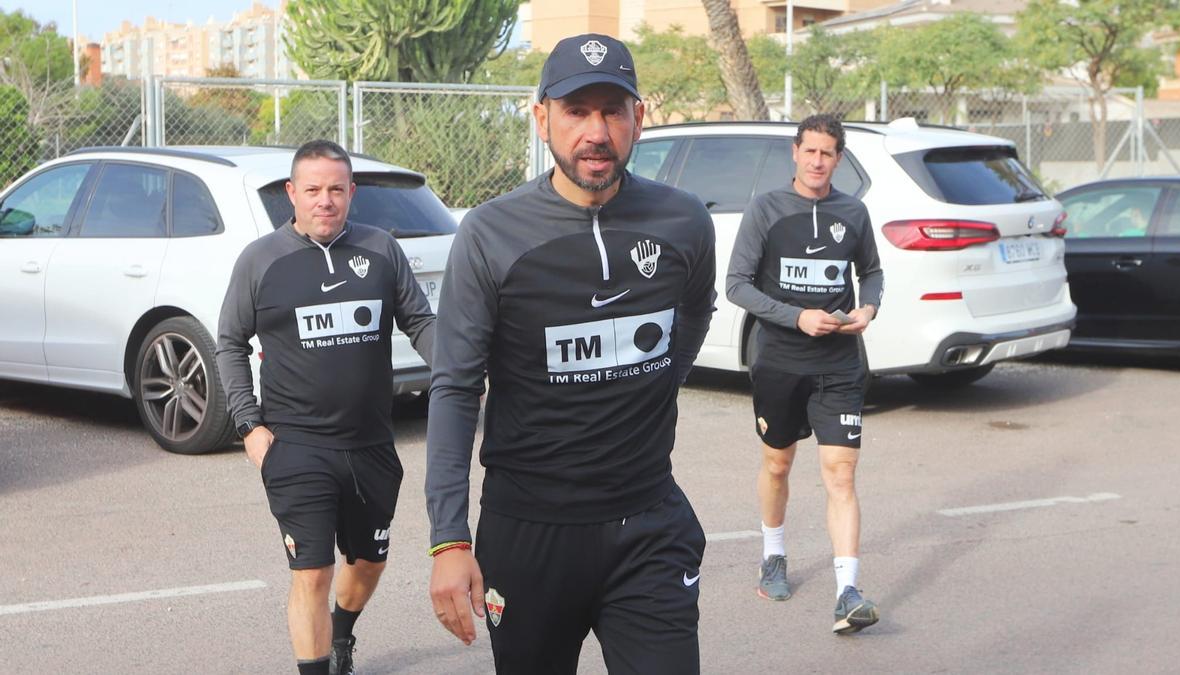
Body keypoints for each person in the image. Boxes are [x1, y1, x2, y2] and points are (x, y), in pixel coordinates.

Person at [425, 33, 716, 674]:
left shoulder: (684, 221)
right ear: (541, 119)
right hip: (529, 532)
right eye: (576, 111)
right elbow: (454, 389)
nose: (596, 131)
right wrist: (449, 537)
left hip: (648, 523)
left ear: (639, 118)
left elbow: (693, 314)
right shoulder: (490, 233)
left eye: (613, 110)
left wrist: (650, 390)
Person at [216, 139, 435, 674]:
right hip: (296, 446)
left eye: (336, 189)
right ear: (292, 194)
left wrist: (460, 372)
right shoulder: (261, 260)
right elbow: (229, 342)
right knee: (311, 573)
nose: (325, 200)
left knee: (366, 564)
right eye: (312, 190)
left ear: (351, 192)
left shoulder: (381, 249)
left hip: (371, 445)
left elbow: (422, 324)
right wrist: (250, 426)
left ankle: (342, 633)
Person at [725, 114, 884, 634]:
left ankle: (848, 591)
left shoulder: (853, 212)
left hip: (839, 364)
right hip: (779, 362)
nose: (818, 161)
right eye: (810, 151)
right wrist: (795, 317)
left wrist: (869, 308)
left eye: (828, 153)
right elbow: (737, 285)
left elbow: (872, 272)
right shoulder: (767, 209)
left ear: (839, 159)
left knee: (841, 473)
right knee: (778, 465)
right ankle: (773, 555)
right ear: (796, 152)